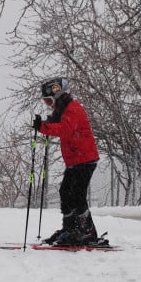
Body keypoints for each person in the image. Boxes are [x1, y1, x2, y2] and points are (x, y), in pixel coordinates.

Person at [33, 77, 100, 246]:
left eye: (50, 101)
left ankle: (87, 231)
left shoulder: (74, 109)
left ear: (60, 96)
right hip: (74, 160)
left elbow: (65, 130)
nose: (49, 105)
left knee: (77, 194)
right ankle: (70, 228)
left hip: (85, 159)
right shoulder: (63, 111)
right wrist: (46, 122)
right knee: (65, 192)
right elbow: (57, 123)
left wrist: (44, 127)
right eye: (46, 102)